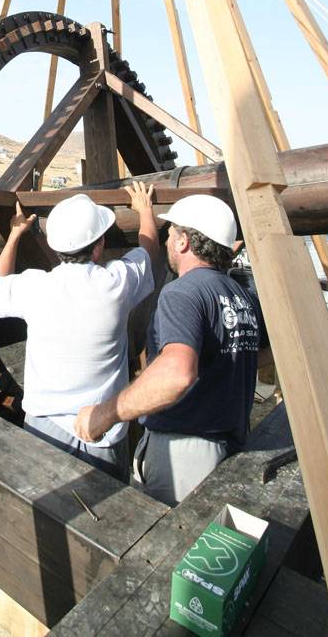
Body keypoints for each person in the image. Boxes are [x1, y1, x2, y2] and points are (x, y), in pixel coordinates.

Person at [74, 194, 269, 505]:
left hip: (183, 456)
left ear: (184, 242)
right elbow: (265, 353)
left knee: (167, 545)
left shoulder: (181, 293)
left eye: (170, 232)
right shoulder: (242, 296)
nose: (166, 238)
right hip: (228, 445)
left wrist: (104, 415)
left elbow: (177, 374)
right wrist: (222, 362)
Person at [0, 181, 158, 480]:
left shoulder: (37, 288)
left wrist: (15, 234)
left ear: (56, 247)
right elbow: (149, 250)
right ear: (99, 246)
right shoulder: (116, 284)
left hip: (43, 427)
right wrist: (145, 211)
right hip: (101, 432)